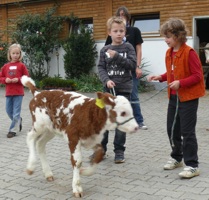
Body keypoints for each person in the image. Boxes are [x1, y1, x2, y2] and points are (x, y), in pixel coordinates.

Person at [148, 18, 205, 178]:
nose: (165, 40)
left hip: (188, 98)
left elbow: (197, 76)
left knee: (187, 132)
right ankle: (177, 157)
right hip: (173, 98)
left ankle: (193, 165)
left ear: (178, 35)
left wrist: (181, 83)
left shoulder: (190, 53)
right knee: (172, 129)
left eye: (168, 36)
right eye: (164, 36)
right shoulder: (169, 52)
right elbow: (172, 73)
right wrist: (160, 77)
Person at [97, 16, 137, 163]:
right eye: (116, 31)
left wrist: (117, 57)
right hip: (106, 91)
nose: (119, 33)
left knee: (121, 120)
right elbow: (101, 67)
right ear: (109, 33)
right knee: (103, 120)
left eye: (122, 31)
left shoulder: (129, 48)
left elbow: (132, 66)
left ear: (125, 32)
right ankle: (101, 150)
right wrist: (106, 80)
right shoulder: (105, 49)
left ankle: (119, 151)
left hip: (124, 90)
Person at [105, 6, 147, 130]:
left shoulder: (134, 30)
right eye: (119, 15)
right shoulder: (113, 32)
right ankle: (114, 121)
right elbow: (107, 52)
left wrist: (138, 66)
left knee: (133, 96)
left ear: (128, 17)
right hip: (116, 72)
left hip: (130, 68)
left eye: (124, 15)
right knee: (114, 97)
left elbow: (138, 49)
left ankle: (139, 121)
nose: (121, 17)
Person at [0, 43, 29, 138]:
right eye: (13, 53)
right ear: (10, 54)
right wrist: (5, 80)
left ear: (20, 54)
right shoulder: (6, 66)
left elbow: (26, 77)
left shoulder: (22, 66)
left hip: (18, 93)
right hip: (9, 92)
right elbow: (1, 77)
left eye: (17, 53)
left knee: (16, 112)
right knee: (8, 111)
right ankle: (18, 120)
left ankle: (13, 130)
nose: (15, 55)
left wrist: (19, 79)